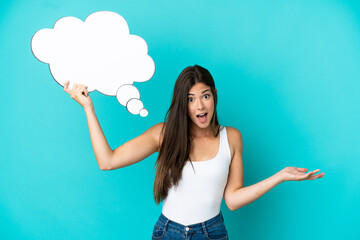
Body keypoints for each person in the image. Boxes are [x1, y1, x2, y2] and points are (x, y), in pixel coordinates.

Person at [64, 65, 325, 240]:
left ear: (214, 96)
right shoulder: (165, 134)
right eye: (190, 99)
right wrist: (88, 107)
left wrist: (278, 176)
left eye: (205, 96)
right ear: (182, 103)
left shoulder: (231, 137)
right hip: (168, 232)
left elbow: (232, 200)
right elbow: (107, 161)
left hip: (211, 232)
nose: (199, 105)